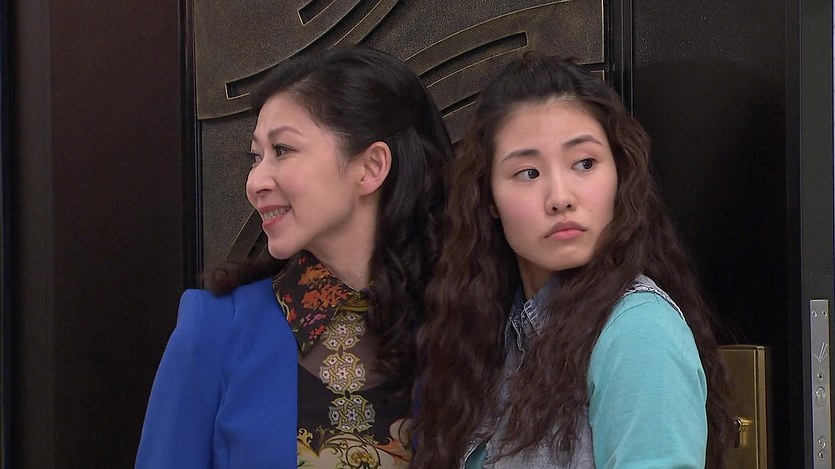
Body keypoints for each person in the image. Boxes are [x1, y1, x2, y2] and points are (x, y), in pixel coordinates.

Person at [136, 46, 452, 469]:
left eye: (282, 150)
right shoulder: (215, 330)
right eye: (256, 157)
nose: (255, 181)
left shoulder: (464, 323)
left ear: (371, 167)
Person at [412, 53, 733, 468]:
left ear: (620, 174)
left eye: (584, 163)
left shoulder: (637, 330)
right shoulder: (492, 332)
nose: (560, 197)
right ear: (489, 197)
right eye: (529, 173)